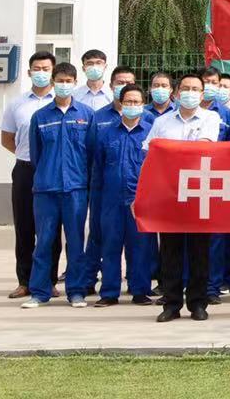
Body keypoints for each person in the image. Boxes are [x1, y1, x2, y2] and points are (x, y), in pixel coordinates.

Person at [145, 71, 223, 321]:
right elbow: (151, 153)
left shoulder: (211, 117)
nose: (190, 93)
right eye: (185, 89)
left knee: (200, 251)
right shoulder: (162, 122)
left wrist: (171, 150)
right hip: (169, 192)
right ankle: (171, 304)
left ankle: (198, 303)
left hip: (200, 192)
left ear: (202, 94)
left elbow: (204, 147)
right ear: (177, 94)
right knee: (170, 251)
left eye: (195, 89)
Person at [20, 62, 94, 308]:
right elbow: (36, 155)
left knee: (76, 243)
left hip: (76, 189)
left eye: (68, 81)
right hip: (46, 190)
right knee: (44, 242)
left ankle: (76, 291)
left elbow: (91, 153)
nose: (64, 85)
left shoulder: (86, 115)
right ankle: (39, 292)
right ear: (53, 83)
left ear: (75, 83)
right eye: (60, 81)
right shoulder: (40, 117)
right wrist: (46, 175)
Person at [0, 50, 60, 299]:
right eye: (37, 68)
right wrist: (28, 156)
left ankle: (49, 281)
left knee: (51, 228)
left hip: (54, 170)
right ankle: (24, 281)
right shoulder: (17, 104)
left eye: (46, 69)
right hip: (25, 170)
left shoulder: (62, 101)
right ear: (29, 72)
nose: (41, 73)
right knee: (24, 226)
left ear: (53, 73)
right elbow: (7, 138)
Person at [89, 83, 155, 307]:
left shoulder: (151, 133)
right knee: (110, 246)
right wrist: (96, 201)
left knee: (140, 247)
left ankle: (140, 290)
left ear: (143, 105)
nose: (132, 105)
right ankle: (109, 292)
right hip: (111, 200)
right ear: (120, 103)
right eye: (128, 102)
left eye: (136, 102)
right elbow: (97, 169)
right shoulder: (106, 133)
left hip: (140, 200)